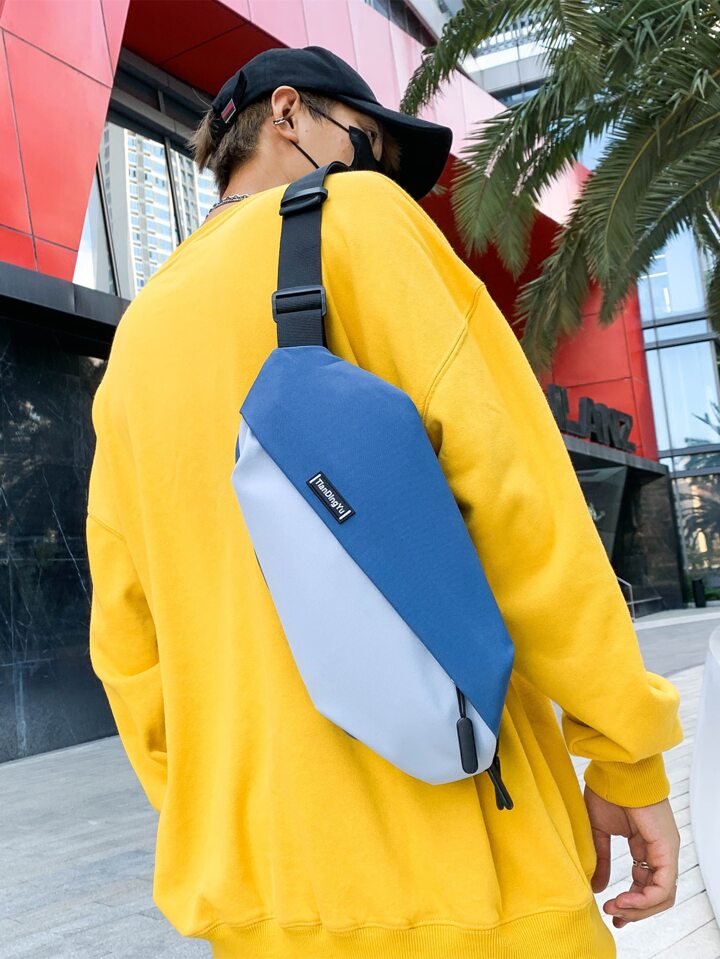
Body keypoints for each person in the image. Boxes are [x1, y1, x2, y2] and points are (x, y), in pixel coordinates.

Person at [85, 45, 683, 959]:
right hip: (464, 880)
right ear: (287, 113)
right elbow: (523, 510)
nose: (375, 175)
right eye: (364, 144)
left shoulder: (139, 336)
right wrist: (625, 753)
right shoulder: (354, 221)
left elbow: (128, 644)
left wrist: (214, 816)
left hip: (261, 900)